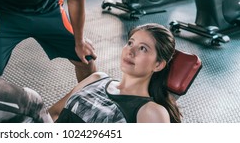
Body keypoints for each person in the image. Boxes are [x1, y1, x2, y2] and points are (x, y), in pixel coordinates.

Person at [48, 23, 182, 123]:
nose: (130, 51)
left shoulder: (151, 112)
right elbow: (53, 114)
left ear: (158, 65)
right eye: (130, 43)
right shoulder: (97, 78)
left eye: (143, 48)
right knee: (28, 96)